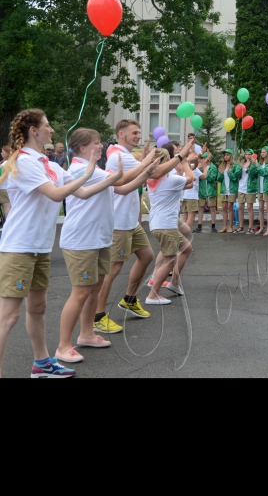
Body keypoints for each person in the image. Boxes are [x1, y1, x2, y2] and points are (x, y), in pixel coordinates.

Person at [0, 110, 105, 379]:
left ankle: (42, 364)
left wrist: (118, 177)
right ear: (34, 131)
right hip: (18, 248)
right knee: (8, 317)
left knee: (38, 308)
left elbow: (82, 193)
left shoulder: (51, 165)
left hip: (41, 248)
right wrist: (89, 171)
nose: (52, 130)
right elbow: (57, 193)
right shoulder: (24, 162)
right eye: (47, 126)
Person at [55, 129, 148, 365]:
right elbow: (121, 179)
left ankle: (86, 334)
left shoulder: (95, 171)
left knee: (93, 291)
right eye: (96, 143)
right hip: (82, 240)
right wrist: (147, 163)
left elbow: (124, 188)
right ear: (82, 148)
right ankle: (63, 346)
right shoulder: (79, 170)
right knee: (80, 293)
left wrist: (146, 171)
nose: (100, 146)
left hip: (98, 239)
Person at [95, 120, 174, 335]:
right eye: (134, 133)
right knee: (113, 269)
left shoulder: (126, 155)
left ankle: (129, 299)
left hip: (130, 221)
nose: (138, 136)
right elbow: (155, 173)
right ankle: (98, 316)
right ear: (121, 133)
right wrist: (180, 157)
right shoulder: (118, 156)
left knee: (147, 255)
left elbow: (144, 171)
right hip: (119, 222)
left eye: (139, 132)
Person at [146, 145, 196, 305]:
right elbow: (191, 179)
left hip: (161, 223)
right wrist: (186, 163)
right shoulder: (169, 179)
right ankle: (152, 295)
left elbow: (187, 184)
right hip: (166, 224)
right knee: (169, 260)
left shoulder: (153, 178)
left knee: (186, 248)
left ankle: (173, 283)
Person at [196, 152, 223, 234]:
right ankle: (199, 226)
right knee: (200, 208)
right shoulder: (200, 168)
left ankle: (213, 226)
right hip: (202, 191)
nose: (203, 160)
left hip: (211, 191)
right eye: (203, 158)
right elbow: (198, 177)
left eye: (205, 158)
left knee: (212, 209)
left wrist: (204, 174)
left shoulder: (213, 167)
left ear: (209, 159)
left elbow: (212, 178)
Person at [181, 157, 204, 233]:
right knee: (191, 217)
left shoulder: (185, 168)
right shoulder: (194, 170)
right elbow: (204, 176)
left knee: (185, 217)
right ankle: (185, 236)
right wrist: (205, 167)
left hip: (184, 195)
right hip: (192, 196)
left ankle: (181, 235)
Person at [219, 149, 240, 234]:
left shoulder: (235, 166)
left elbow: (235, 178)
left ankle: (230, 227)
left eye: (227, 155)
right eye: (224, 155)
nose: (226, 156)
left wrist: (229, 173)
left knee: (229, 207)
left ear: (231, 156)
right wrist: (220, 173)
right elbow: (219, 179)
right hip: (224, 189)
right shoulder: (222, 165)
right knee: (224, 208)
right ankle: (224, 226)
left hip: (232, 189)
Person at [238, 151, 259, 235]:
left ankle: (250, 227)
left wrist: (250, 166)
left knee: (250, 207)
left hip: (250, 188)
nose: (247, 156)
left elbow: (254, 174)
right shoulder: (242, 163)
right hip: (241, 188)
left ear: (252, 155)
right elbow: (237, 175)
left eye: (249, 154)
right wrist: (239, 167)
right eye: (246, 154)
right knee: (240, 207)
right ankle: (241, 226)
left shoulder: (254, 164)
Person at [0, 145, 12, 219]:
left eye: (3, 152)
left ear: (7, 153)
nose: (1, 153)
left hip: (3, 187)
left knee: (7, 207)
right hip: (8, 186)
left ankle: (8, 223)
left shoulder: (4, 164)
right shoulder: (11, 162)